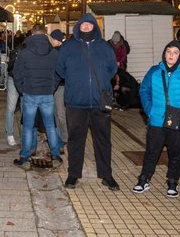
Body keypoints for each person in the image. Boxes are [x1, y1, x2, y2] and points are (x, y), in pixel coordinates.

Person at [56, 14, 119, 190]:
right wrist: (75, 81)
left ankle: (107, 175)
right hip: (76, 102)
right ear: (77, 27)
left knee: (103, 140)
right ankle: (73, 175)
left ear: (94, 27)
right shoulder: (68, 47)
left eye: (89, 24)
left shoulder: (104, 47)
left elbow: (113, 68)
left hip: (100, 102)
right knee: (76, 139)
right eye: (82, 24)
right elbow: (60, 69)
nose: (85, 27)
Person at [133, 41, 180, 197]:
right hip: (156, 120)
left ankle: (172, 182)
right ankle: (144, 179)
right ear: (164, 53)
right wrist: (149, 111)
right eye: (169, 51)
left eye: (175, 52)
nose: (171, 55)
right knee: (151, 152)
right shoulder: (155, 71)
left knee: (175, 153)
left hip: (178, 121)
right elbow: (144, 90)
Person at [12, 24, 62, 170]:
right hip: (47, 93)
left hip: (30, 93)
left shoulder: (25, 52)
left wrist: (22, 89)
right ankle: (56, 155)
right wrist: (51, 88)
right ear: (45, 34)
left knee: (28, 127)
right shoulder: (53, 53)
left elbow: (17, 73)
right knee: (50, 126)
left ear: (32, 35)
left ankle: (25, 157)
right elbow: (58, 73)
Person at [49, 29, 68, 151]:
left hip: (60, 86)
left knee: (60, 113)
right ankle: (58, 137)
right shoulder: (54, 50)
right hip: (54, 85)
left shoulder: (63, 52)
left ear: (57, 40)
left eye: (52, 39)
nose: (50, 41)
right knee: (55, 113)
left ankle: (66, 138)